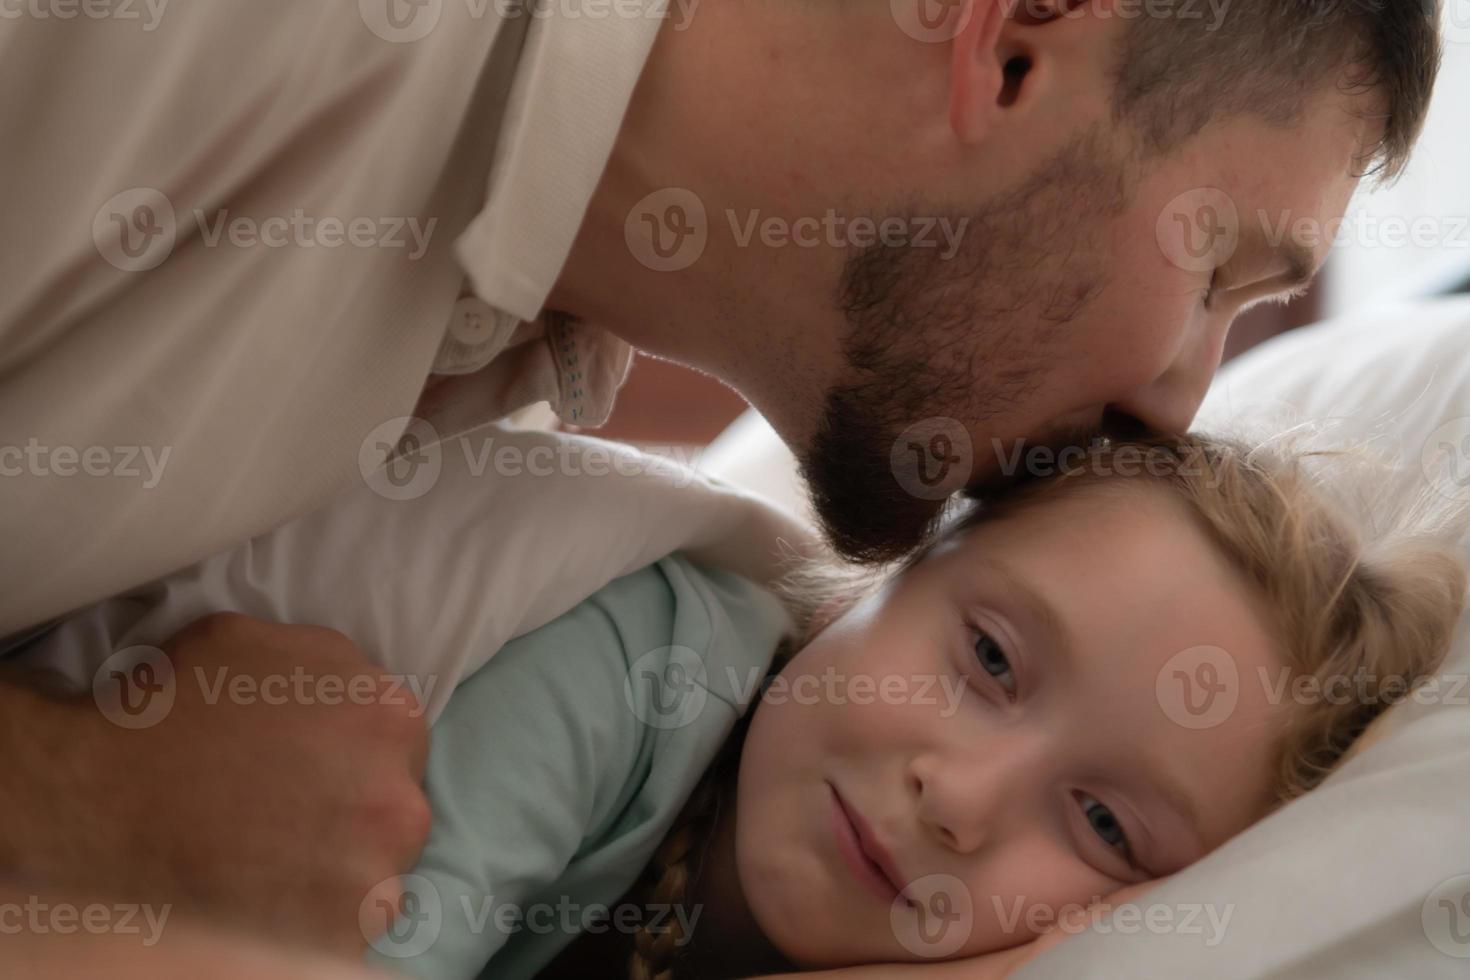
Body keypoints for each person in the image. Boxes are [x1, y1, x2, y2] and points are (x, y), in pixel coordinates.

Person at [0, 0, 1443, 965]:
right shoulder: (194, 47)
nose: (1179, 400)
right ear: (1010, 42)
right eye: (1212, 276)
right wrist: (68, 803)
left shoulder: (495, 353)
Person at [27, 432, 1465, 977]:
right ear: (888, 569)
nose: (957, 800)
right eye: (988, 662)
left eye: (1097, 820)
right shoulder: (641, 666)